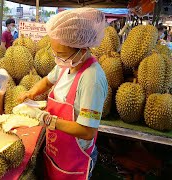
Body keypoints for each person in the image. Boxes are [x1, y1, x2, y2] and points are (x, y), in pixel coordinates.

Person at [13, 8, 108, 180]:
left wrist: (47, 119)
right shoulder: (67, 63)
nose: (58, 58)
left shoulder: (91, 80)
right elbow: (48, 81)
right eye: (55, 53)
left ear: (82, 48)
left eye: (61, 54)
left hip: (75, 158)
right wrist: (31, 92)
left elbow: (87, 131)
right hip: (57, 149)